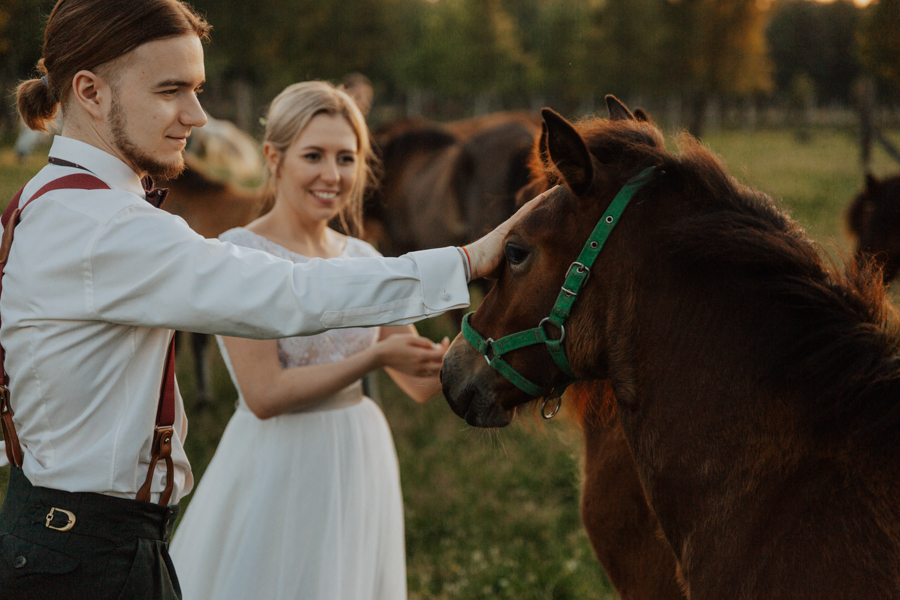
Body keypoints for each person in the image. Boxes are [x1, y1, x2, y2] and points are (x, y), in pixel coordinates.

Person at [0, 2, 549, 599]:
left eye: (199, 88)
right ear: (90, 92)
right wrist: (467, 259)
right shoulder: (104, 225)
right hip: (90, 558)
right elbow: (290, 290)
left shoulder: (46, 199)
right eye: (171, 91)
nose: (198, 115)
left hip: (63, 536)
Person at [170, 80, 441, 600]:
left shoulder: (364, 259)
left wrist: (456, 355)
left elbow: (420, 383)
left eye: (346, 158)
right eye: (313, 155)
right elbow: (264, 394)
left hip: (360, 451)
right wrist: (375, 357)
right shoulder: (238, 254)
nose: (331, 175)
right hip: (278, 460)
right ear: (274, 157)